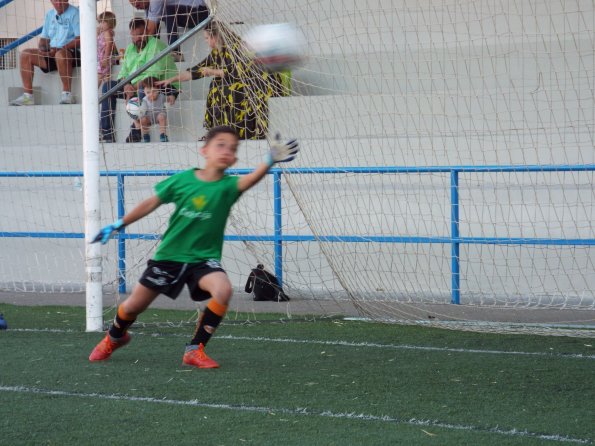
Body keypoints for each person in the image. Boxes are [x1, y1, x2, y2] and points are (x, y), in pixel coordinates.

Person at [88, 126, 299, 368]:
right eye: (221, 144)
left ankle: (194, 349)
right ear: (204, 150)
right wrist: (118, 224)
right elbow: (150, 203)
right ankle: (114, 337)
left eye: (232, 148)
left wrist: (269, 161)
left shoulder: (228, 187)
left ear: (234, 158)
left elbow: (250, 179)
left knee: (223, 289)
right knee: (134, 306)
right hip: (169, 258)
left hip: (203, 260)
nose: (226, 150)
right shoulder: (182, 180)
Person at [157, 22, 276, 139]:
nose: (206, 41)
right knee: (216, 85)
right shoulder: (217, 52)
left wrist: (212, 71)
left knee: (222, 87)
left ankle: (234, 131)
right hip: (239, 84)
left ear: (217, 36)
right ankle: (218, 131)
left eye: (207, 38)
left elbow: (237, 72)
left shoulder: (238, 47)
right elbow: (196, 71)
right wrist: (172, 79)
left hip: (255, 86)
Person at [99, 18, 180, 143]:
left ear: (147, 32)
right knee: (108, 87)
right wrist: (126, 86)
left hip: (163, 86)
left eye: (140, 34)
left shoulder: (156, 45)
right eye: (134, 35)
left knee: (144, 88)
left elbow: (151, 77)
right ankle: (107, 134)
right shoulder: (130, 48)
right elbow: (123, 73)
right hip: (136, 85)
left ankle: (136, 131)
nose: (137, 38)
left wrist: (131, 87)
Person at [10, 0, 80, 106]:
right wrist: (43, 49)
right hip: (53, 52)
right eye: (55, 1)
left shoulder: (76, 13)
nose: (58, 3)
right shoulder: (49, 14)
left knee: (60, 54)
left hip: (70, 52)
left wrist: (61, 48)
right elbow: (44, 38)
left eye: (61, 0)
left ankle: (67, 94)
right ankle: (27, 96)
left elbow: (80, 39)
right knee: (25, 54)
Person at [129, 0, 209, 61]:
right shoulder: (148, 6)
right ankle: (153, 51)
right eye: (132, 5)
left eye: (137, 3)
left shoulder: (155, 1)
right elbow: (148, 28)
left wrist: (139, 50)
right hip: (186, 15)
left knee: (167, 11)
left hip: (200, 13)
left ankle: (175, 52)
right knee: (157, 18)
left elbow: (150, 30)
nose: (136, 6)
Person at [134, 77, 169, 142]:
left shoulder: (161, 96)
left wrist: (171, 98)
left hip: (159, 115)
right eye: (148, 92)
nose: (151, 94)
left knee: (161, 117)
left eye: (154, 91)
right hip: (149, 117)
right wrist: (136, 121)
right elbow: (137, 112)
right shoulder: (144, 100)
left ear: (158, 90)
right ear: (144, 92)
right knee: (143, 119)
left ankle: (163, 134)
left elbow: (168, 99)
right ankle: (146, 135)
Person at [97, 11, 117, 88]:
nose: (100, 25)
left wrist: (105, 58)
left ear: (109, 23)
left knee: (99, 76)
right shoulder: (104, 32)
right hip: (102, 58)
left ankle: (92, 94)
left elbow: (109, 45)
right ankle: (107, 94)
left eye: (102, 22)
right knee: (107, 79)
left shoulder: (107, 33)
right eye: (100, 22)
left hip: (104, 58)